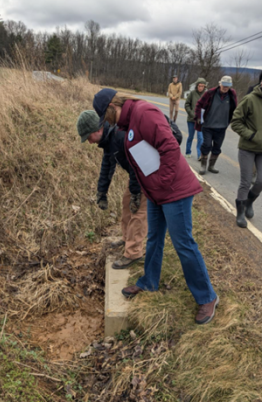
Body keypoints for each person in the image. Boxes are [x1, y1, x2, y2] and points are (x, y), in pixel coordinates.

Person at [93, 88, 219, 325]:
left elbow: (170, 148)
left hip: (174, 191)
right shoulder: (126, 124)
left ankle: (207, 297)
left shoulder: (144, 112)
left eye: (105, 117)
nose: (106, 123)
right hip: (156, 193)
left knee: (183, 244)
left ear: (112, 107)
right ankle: (149, 282)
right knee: (154, 238)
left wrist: (162, 184)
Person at [76, 110, 148, 269]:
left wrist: (137, 192)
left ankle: (134, 253)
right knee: (126, 203)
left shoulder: (120, 137)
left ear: (97, 130)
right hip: (136, 174)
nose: (89, 142)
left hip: (147, 173)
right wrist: (101, 192)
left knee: (138, 212)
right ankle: (126, 238)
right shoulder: (108, 140)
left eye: (88, 137)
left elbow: (138, 166)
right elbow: (107, 166)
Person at [231, 79, 262, 228]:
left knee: (261, 181)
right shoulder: (250, 99)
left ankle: (249, 202)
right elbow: (235, 121)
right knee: (246, 181)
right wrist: (251, 136)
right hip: (247, 147)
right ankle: (241, 211)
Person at [195, 76, 237, 175]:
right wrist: (198, 117)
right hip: (208, 125)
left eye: (228, 86)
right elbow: (199, 104)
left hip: (222, 127)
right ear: (220, 84)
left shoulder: (231, 95)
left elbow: (235, 109)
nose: (225, 87)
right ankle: (203, 165)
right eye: (224, 85)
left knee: (217, 147)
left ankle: (211, 166)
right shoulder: (210, 93)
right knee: (207, 145)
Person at [184, 78, 207, 160]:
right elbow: (187, 104)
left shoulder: (206, 95)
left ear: (204, 87)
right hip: (191, 119)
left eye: (202, 86)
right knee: (191, 136)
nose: (200, 87)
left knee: (200, 138)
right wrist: (192, 114)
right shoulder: (192, 94)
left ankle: (199, 155)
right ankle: (188, 151)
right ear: (197, 86)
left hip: (201, 121)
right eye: (199, 86)